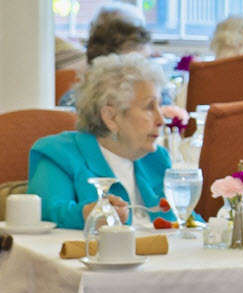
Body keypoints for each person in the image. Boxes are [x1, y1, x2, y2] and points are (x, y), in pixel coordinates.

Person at [29, 52, 175, 229]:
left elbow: (184, 221)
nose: (161, 119)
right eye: (149, 107)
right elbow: (46, 213)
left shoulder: (156, 159)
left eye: (160, 105)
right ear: (111, 117)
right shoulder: (59, 153)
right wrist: (87, 215)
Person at [58, 16, 158, 108]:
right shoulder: (74, 102)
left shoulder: (156, 96)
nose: (146, 70)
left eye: (147, 61)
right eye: (138, 64)